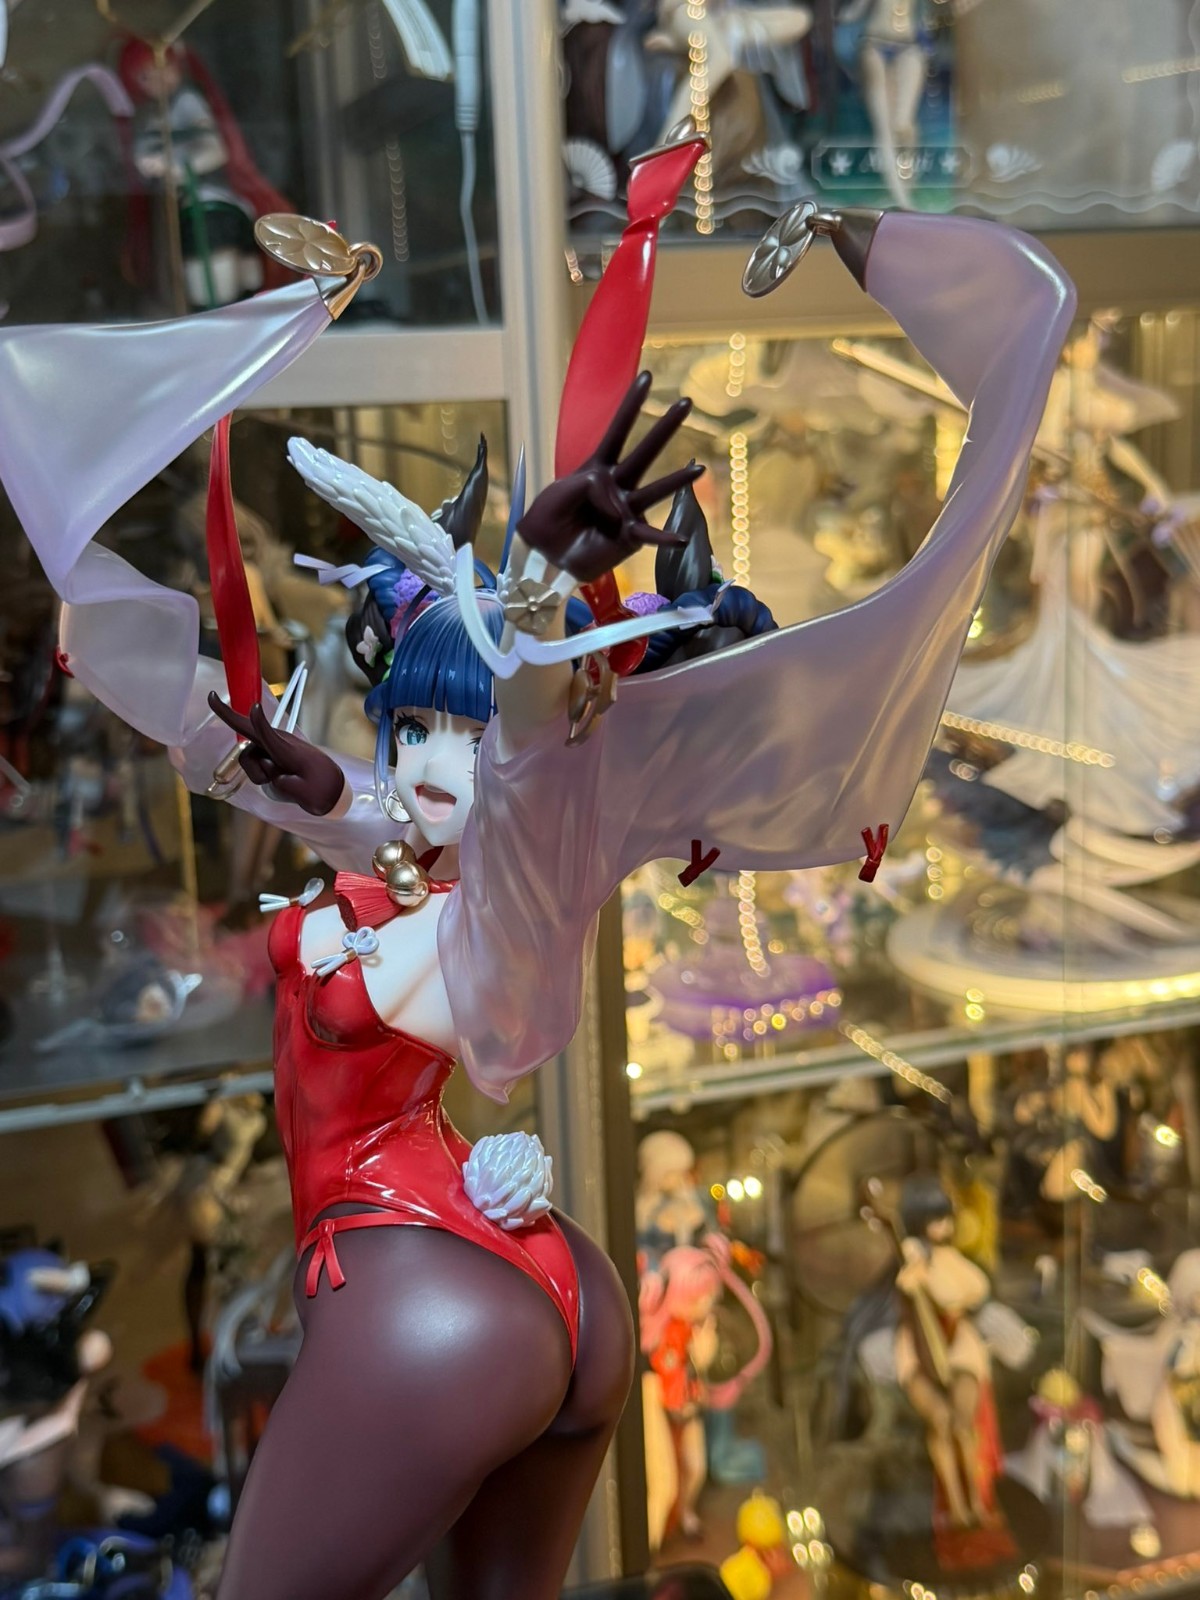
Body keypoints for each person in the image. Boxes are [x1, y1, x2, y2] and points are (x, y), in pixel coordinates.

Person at [0, 184, 1073, 1597]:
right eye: (410, 726)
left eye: (457, 733)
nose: (424, 762)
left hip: (418, 1286)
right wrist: (290, 779)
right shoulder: (401, 855)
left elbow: (520, 780)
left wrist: (546, 604)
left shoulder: (500, 889)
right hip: (541, 1291)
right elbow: (332, 785)